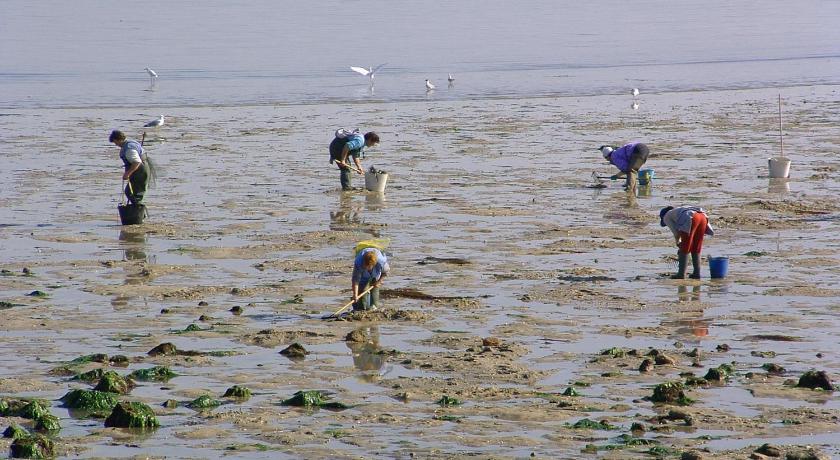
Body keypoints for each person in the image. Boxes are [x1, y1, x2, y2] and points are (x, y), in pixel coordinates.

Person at [660, 206, 714, 279]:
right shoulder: (679, 211)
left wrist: (678, 243)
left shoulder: (666, 216)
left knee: (685, 247)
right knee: (696, 247)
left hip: (691, 218)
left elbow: (676, 233)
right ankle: (696, 273)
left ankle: (681, 274)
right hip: (702, 217)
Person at [110, 130, 151, 204]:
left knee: (134, 193)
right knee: (131, 192)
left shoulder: (129, 149)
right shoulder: (131, 143)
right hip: (140, 169)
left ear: (118, 139)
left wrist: (128, 173)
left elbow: (136, 162)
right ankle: (137, 210)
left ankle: (137, 212)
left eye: (115, 142)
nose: (116, 144)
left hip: (140, 171)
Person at [351, 247, 390, 311]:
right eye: (365, 266)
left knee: (375, 294)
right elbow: (355, 280)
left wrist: (379, 281)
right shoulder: (359, 262)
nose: (366, 268)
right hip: (363, 277)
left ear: (373, 264)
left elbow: (386, 272)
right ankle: (360, 308)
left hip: (375, 274)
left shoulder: (381, 261)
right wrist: (355, 295)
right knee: (361, 295)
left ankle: (374, 307)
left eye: (368, 267)